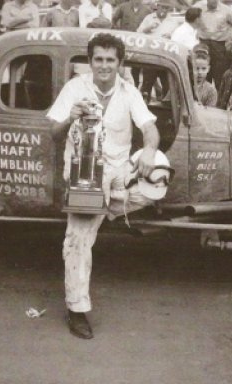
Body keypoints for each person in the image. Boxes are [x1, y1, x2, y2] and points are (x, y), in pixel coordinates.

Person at [47, 33, 161, 339]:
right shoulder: (75, 88)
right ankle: (76, 308)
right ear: (90, 61)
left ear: (120, 63)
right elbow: (54, 134)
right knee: (79, 239)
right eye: (98, 59)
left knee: (159, 176)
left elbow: (150, 129)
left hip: (117, 172)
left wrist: (149, 150)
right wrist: (70, 118)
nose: (104, 66)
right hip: (85, 173)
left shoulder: (129, 91)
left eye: (111, 60)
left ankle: (110, 208)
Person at [137, 0, 180, 101]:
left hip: (165, 58)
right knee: (146, 85)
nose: (164, 10)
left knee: (167, 85)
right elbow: (138, 33)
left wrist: (171, 36)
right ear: (158, 6)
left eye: (166, 8)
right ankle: (144, 105)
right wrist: (147, 29)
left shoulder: (173, 21)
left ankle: (166, 110)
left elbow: (177, 40)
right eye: (162, 7)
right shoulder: (149, 18)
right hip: (151, 57)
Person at [193, 0, 232, 89]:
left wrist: (231, 42)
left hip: (220, 48)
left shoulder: (226, 10)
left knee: (220, 78)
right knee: (203, 77)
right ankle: (203, 100)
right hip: (204, 46)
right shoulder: (199, 9)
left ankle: (220, 102)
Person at [112, 0, 151, 87]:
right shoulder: (123, 7)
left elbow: (149, 25)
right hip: (124, 42)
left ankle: (135, 87)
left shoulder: (147, 10)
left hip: (139, 43)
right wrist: (118, 32)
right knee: (123, 64)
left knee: (136, 65)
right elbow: (114, 20)